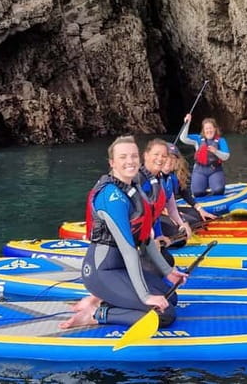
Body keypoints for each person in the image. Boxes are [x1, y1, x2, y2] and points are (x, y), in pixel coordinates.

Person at [59, 136, 188, 330]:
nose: (130, 161)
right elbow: (129, 251)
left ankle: (101, 300)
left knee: (171, 297)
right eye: (123, 157)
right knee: (164, 313)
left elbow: (145, 240)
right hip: (102, 272)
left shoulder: (134, 189)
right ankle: (95, 314)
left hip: (120, 270)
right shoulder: (111, 196)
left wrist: (168, 272)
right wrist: (146, 296)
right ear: (112, 163)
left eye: (134, 156)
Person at [178, 113, 230, 197]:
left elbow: (226, 156)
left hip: (215, 170)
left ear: (215, 129)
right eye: (206, 128)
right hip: (199, 170)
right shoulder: (198, 139)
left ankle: (215, 187)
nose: (209, 130)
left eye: (210, 128)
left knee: (218, 190)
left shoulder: (221, 140)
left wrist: (216, 151)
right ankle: (204, 190)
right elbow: (183, 138)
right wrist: (187, 123)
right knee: (197, 193)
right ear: (203, 130)